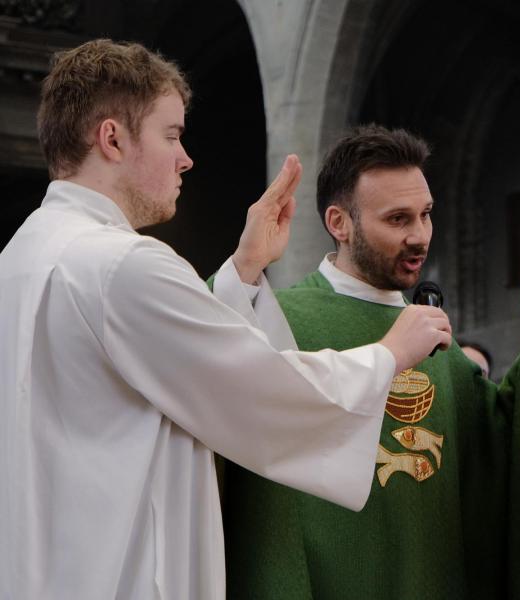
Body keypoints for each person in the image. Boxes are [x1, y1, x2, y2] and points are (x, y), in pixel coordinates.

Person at [0, 40, 451, 599]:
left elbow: (174, 364)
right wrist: (391, 353)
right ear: (112, 138)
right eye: (171, 135)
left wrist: (244, 267)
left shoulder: (21, 256)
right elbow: (265, 393)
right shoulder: (122, 263)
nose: (185, 157)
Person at [221, 125, 520, 599]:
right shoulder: (279, 323)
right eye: (397, 220)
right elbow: (205, 358)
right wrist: (245, 267)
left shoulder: (432, 335)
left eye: (426, 215)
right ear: (340, 223)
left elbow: (498, 449)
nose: (420, 236)